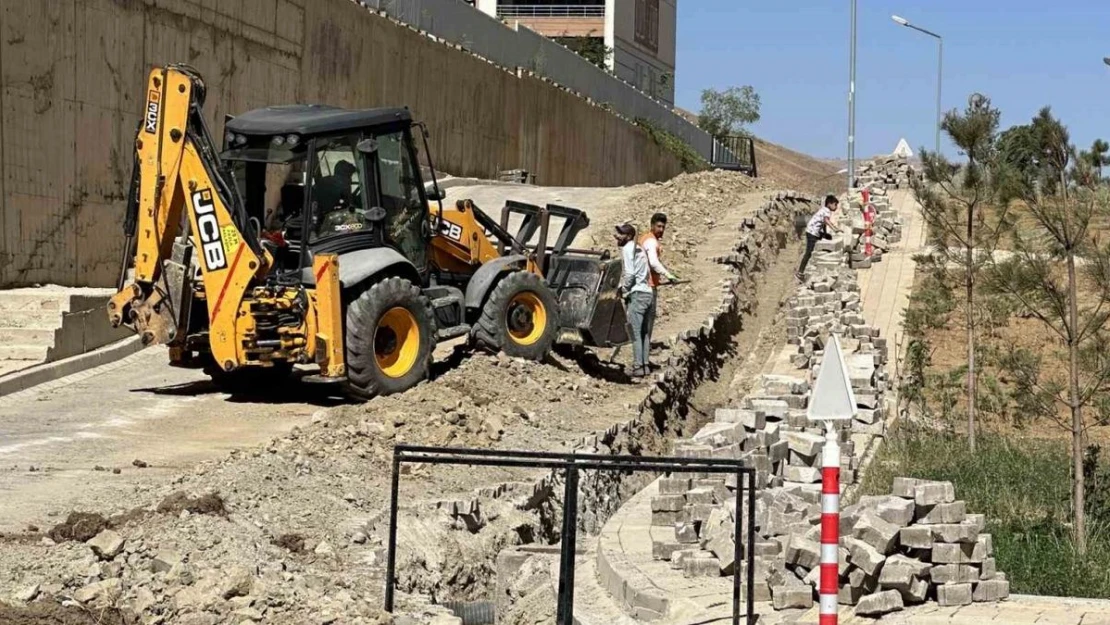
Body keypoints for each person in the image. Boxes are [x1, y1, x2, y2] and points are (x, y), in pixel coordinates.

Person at [637, 213, 678, 370]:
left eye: (663, 227)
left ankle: (641, 362)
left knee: (641, 328)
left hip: (640, 286)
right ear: (652, 225)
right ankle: (643, 363)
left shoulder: (643, 239)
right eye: (659, 226)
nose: (661, 230)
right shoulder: (651, 241)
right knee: (647, 328)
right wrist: (669, 275)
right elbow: (653, 262)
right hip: (648, 287)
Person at [615, 223, 653, 379]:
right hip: (648, 293)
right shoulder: (639, 248)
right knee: (644, 333)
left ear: (629, 236)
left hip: (637, 295)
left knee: (635, 333)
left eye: (621, 234)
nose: (617, 236)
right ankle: (645, 366)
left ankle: (638, 367)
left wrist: (622, 289)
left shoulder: (627, 249)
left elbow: (630, 274)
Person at [796, 194, 842, 280]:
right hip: (812, 233)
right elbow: (826, 221)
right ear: (829, 204)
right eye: (835, 205)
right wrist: (835, 229)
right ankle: (800, 272)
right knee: (808, 252)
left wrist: (825, 234)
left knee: (828, 237)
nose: (836, 207)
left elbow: (823, 224)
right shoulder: (827, 211)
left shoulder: (823, 210)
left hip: (812, 231)